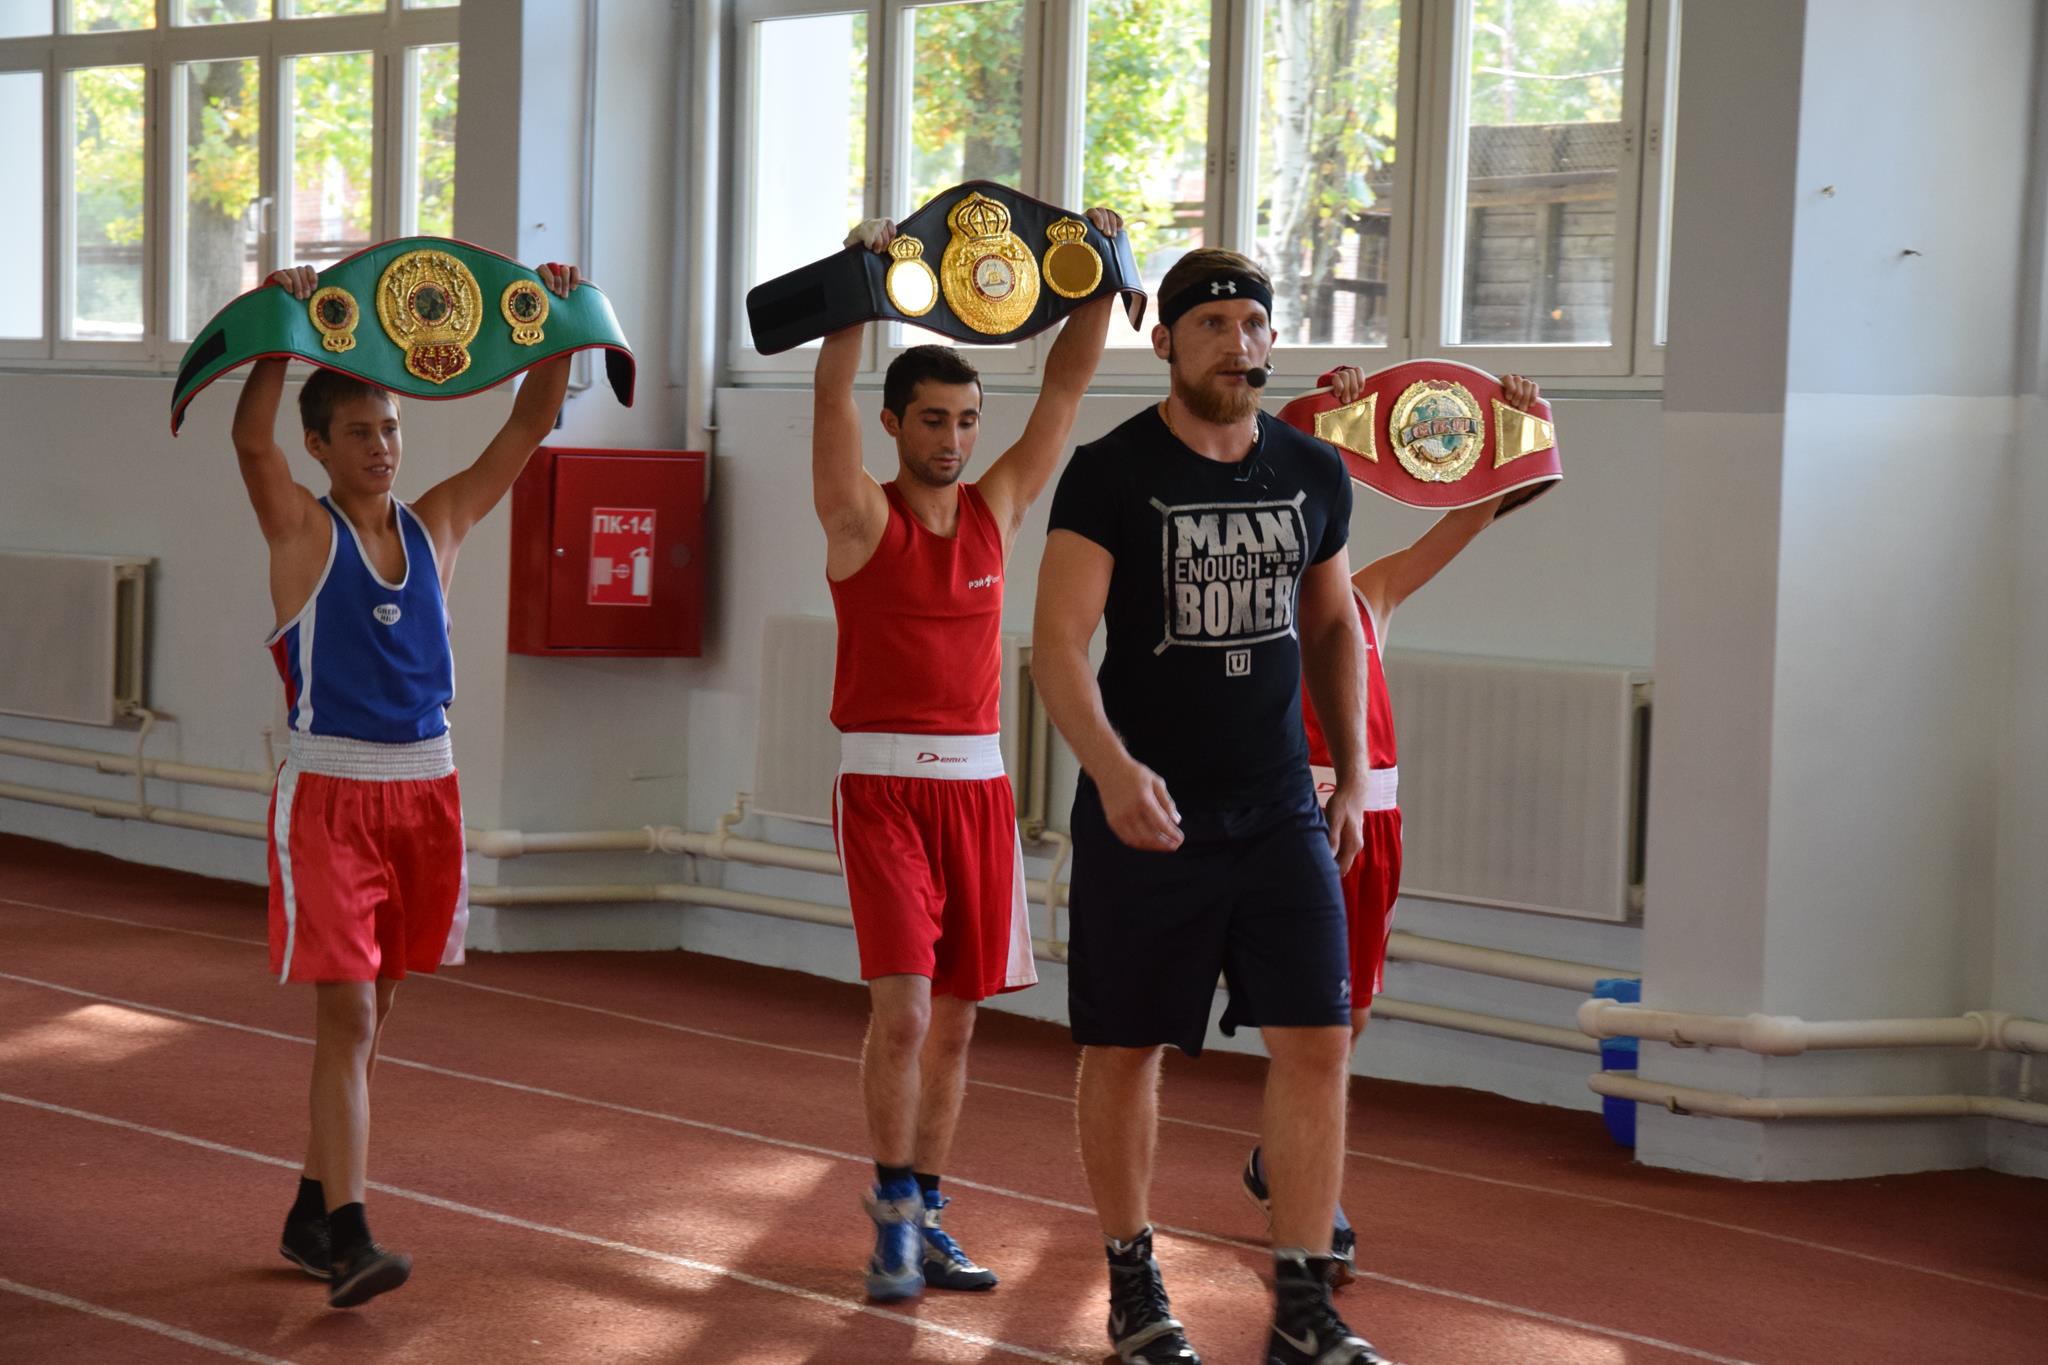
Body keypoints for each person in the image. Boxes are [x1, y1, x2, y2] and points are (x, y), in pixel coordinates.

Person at [1032, 247, 1389, 1365]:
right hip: (1149, 809)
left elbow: (1331, 626)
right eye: (1213, 326)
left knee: (1316, 1039)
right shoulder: (1107, 473)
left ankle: (1299, 1304)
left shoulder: (1310, 471)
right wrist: (1109, 767)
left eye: (1253, 324)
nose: (1239, 345)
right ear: (1167, 344)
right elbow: (1054, 645)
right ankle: (1133, 1278)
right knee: (1126, 1046)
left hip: (1277, 803)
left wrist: (1351, 780)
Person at [231, 260, 584, 1308]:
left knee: (375, 1016)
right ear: (320, 446)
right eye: (359, 433)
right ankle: (349, 1234)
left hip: (426, 795)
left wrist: (558, 323)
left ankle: (309, 1208)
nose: (381, 447)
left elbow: (523, 431)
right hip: (331, 796)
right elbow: (248, 442)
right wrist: (280, 334)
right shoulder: (302, 532)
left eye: (389, 429)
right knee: (346, 1017)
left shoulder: (436, 529)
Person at [813, 208, 1124, 1301]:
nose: (952, 439)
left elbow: (1066, 393)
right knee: (899, 1010)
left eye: (963, 421)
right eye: (932, 420)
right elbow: (826, 402)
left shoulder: (995, 507)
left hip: (978, 791)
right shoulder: (858, 519)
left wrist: (1094, 276)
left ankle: (928, 1209)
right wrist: (856, 295)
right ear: (897, 426)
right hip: (884, 788)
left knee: (953, 1022)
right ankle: (891, 1207)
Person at [1236, 367, 1543, 1286]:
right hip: (1298, 822)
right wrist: (1325, 424)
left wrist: (1513, 437)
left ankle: (1271, 1159)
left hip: (1376, 821)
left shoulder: (1371, 594)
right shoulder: (1254, 607)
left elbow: (1471, 516)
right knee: (1315, 1019)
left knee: (1354, 1012)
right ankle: (1307, 1190)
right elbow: (1278, 472)